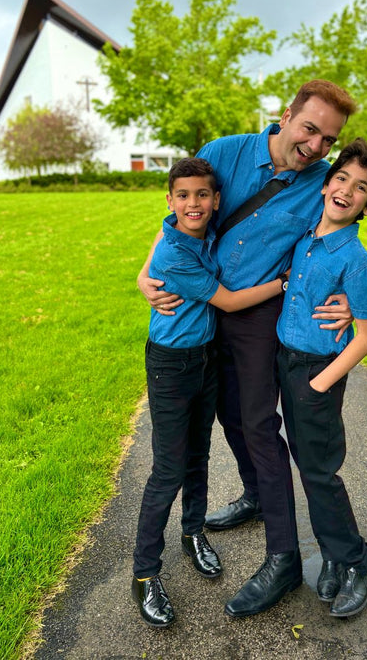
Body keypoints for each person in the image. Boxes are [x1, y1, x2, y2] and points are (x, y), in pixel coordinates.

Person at [137, 80, 357, 618]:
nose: (316, 146)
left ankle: (282, 556)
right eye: (310, 129)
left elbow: (338, 235)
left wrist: (351, 299)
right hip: (204, 306)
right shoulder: (223, 153)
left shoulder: (320, 184)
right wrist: (146, 271)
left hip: (257, 312)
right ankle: (258, 495)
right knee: (227, 418)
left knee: (258, 424)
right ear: (286, 116)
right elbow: (181, 219)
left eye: (329, 139)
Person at [132, 157, 291, 628]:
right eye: (183, 196)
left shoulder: (207, 229)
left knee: (198, 456)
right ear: (169, 201)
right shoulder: (175, 255)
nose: (193, 203)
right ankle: (144, 574)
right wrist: (282, 283)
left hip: (204, 359)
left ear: (216, 200)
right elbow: (228, 300)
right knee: (168, 469)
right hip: (172, 366)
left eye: (202, 195)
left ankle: (193, 532)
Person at [276, 138, 367, 618]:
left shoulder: (359, 262)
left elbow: (366, 337)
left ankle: (356, 564)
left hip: (317, 373)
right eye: (341, 178)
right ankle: (331, 555)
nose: (347, 189)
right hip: (286, 361)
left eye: (361, 187)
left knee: (320, 473)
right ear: (325, 185)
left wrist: (319, 384)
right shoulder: (304, 240)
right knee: (309, 468)